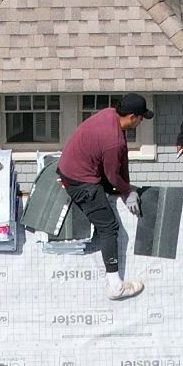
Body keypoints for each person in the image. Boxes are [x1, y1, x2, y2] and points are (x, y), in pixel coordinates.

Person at [55, 95, 152, 300]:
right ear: (132, 117)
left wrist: (126, 188)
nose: (141, 122)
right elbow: (112, 175)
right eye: (141, 118)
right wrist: (126, 190)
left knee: (115, 187)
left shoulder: (109, 114)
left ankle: (115, 284)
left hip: (76, 166)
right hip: (79, 182)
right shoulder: (113, 141)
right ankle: (115, 286)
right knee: (109, 227)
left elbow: (120, 157)